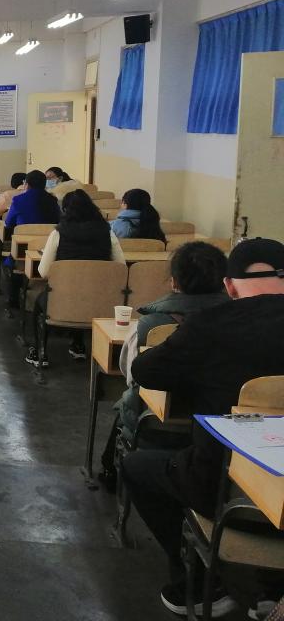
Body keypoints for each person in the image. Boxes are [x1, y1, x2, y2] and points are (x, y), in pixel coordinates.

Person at [121, 238, 284, 617]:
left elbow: (145, 372)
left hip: (225, 492)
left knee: (138, 467)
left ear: (229, 286)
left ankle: (198, 577)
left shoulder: (212, 326)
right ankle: (272, 588)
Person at [107, 242, 229, 463]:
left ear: (173, 282)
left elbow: (131, 375)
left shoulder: (148, 326)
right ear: (225, 282)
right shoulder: (241, 323)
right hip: (222, 436)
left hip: (155, 427)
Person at [26, 189, 126, 366]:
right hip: (100, 299)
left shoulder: (59, 233)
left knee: (40, 303)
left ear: (65, 210)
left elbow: (43, 272)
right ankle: (78, 345)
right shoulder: (107, 232)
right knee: (85, 292)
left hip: (64, 299)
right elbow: (121, 268)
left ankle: (40, 352)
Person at [3, 169, 61, 310]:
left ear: (26, 184)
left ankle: (13, 300)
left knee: (12, 262)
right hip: (48, 249)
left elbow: (8, 223)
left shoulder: (18, 200)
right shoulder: (53, 201)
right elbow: (58, 222)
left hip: (24, 249)